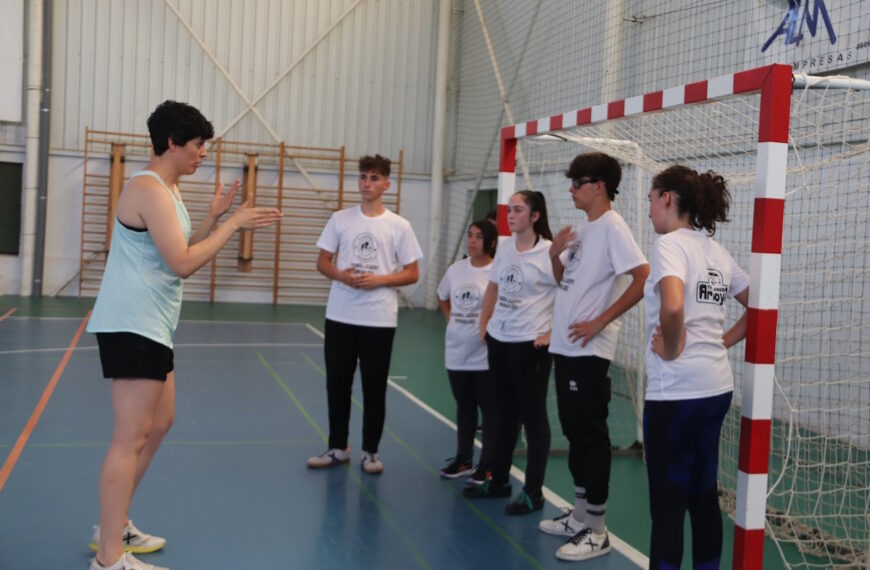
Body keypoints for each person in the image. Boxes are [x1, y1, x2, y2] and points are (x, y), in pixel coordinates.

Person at [86, 100, 282, 570]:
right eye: (198, 145)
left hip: (152, 324)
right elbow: (182, 264)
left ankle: (115, 525)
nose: (203, 154)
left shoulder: (168, 190)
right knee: (129, 438)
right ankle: (109, 557)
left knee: (160, 423)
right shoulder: (148, 189)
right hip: (132, 324)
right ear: (172, 143)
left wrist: (213, 217)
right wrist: (233, 225)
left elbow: (180, 248)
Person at [538, 152, 649, 561]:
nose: (571, 189)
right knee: (573, 430)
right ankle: (580, 515)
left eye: (577, 182)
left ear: (599, 186)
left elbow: (642, 276)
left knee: (589, 434)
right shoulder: (584, 229)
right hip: (566, 345)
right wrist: (554, 254)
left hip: (589, 351)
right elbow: (562, 280)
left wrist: (600, 320)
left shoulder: (613, 227)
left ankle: (597, 530)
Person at [643, 165, 749, 569]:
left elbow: (672, 306)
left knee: (668, 505)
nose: (649, 209)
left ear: (667, 197)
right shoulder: (715, 251)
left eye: (651, 199)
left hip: (677, 392)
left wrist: (671, 348)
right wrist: (721, 342)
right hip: (716, 388)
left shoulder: (669, 245)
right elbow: (761, 304)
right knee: (703, 494)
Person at [307, 154, 423, 475]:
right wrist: (341, 276)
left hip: (378, 319)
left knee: (374, 387)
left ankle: (371, 452)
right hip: (340, 316)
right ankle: (337, 447)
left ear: (386, 184)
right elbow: (322, 262)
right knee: (337, 384)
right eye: (362, 177)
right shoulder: (340, 219)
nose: (366, 183)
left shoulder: (399, 226)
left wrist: (380, 280)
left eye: (374, 178)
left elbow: (412, 272)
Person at [463, 190, 557, 515]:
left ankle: (533, 492)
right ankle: (499, 480)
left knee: (533, 417)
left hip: (531, 345)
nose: (510, 215)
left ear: (535, 216)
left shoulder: (550, 252)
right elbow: (494, 286)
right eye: (509, 210)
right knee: (502, 414)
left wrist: (552, 333)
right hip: (500, 341)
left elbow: (568, 294)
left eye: (518, 210)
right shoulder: (504, 248)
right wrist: (485, 322)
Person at [436, 219, 497, 480]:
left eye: (478, 236)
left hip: (484, 354)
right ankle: (463, 459)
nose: (471, 240)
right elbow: (442, 296)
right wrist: (450, 317)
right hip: (456, 351)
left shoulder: (496, 271)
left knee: (489, 410)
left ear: (491, 243)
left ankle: (488, 464)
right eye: (470, 235)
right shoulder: (456, 269)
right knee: (465, 406)